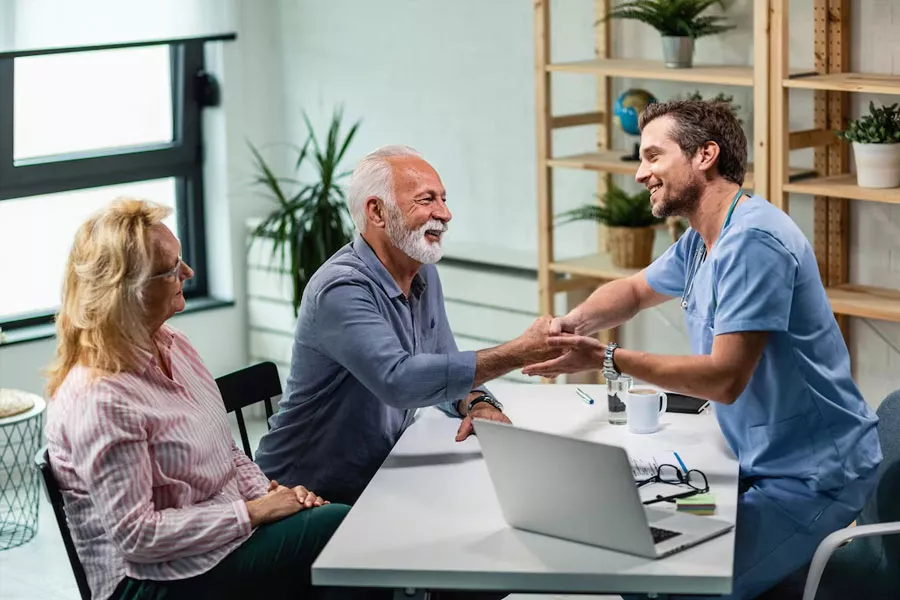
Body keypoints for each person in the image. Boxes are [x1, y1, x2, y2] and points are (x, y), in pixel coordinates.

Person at [523, 100, 883, 600]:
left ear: (704, 156)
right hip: (759, 461)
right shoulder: (705, 238)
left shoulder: (754, 241)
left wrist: (605, 358)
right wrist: (568, 326)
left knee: (675, 586)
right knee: (641, 549)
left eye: (652, 156)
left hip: (815, 476)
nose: (640, 174)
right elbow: (632, 291)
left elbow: (724, 379)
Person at [44, 199, 368, 600]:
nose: (187, 273)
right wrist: (252, 513)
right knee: (337, 530)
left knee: (327, 526)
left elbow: (226, 453)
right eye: (171, 269)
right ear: (127, 293)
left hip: (216, 545)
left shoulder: (175, 345)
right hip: (149, 580)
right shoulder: (101, 398)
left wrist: (272, 495)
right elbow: (138, 536)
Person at [254, 145, 558, 505]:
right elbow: (400, 381)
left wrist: (476, 402)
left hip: (377, 478)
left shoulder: (422, 272)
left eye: (443, 199)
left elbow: (443, 366)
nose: (445, 214)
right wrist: (519, 352)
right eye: (427, 200)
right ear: (377, 212)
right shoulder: (340, 289)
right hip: (303, 497)